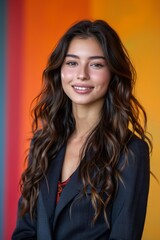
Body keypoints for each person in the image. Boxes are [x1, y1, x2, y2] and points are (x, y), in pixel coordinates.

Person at [12, 19, 151, 240]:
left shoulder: (131, 152)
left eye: (96, 64)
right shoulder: (43, 142)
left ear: (113, 73)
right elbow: (26, 230)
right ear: (60, 70)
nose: (82, 74)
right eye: (72, 63)